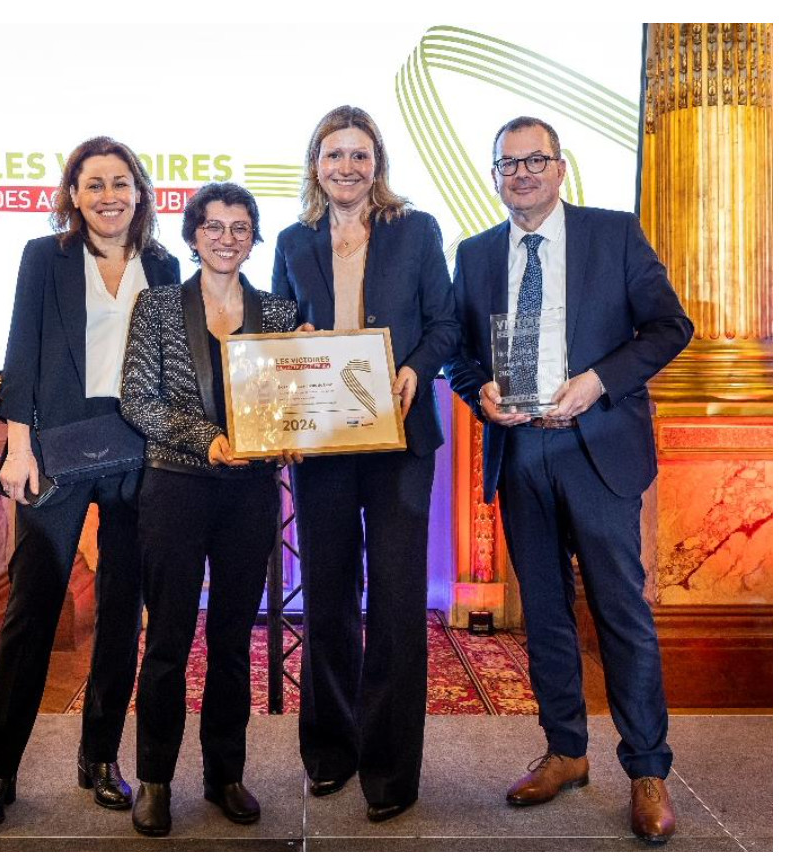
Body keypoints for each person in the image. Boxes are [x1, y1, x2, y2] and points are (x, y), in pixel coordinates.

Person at [444, 116, 693, 844]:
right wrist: (478, 392)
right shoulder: (477, 253)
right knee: (545, 615)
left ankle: (647, 770)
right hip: (520, 454)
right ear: (494, 177)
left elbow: (668, 328)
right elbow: (461, 354)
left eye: (535, 161)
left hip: (599, 448)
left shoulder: (613, 234)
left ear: (561, 168)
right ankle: (566, 752)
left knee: (620, 611)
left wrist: (598, 382)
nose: (521, 174)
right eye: (507, 164)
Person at [0, 137, 180, 832]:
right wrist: (17, 448)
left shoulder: (166, 265)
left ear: (141, 192)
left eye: (121, 182)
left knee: (121, 614)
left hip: (139, 452)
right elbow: (20, 353)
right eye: (94, 184)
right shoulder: (44, 257)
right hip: (55, 450)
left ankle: (98, 759)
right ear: (74, 194)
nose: (109, 195)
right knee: (32, 612)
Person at [272, 105, 460, 822]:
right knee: (324, 598)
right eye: (332, 155)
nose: (345, 167)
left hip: (398, 441)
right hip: (322, 443)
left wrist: (414, 369)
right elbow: (279, 328)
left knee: (396, 604)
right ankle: (329, 752)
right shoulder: (293, 239)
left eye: (358, 154)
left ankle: (390, 769)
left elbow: (444, 324)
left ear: (376, 163)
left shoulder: (417, 231)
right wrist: (297, 337)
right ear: (314, 164)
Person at [120, 182, 298, 837]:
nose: (226, 238)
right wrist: (209, 440)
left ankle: (226, 774)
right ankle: (155, 781)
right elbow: (138, 400)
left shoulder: (279, 314)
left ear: (254, 239)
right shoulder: (158, 306)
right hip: (176, 488)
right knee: (166, 640)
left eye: (240, 228)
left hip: (249, 495)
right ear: (194, 235)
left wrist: (295, 433)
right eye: (214, 227)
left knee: (231, 641)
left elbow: (290, 405)